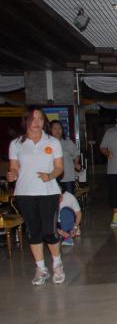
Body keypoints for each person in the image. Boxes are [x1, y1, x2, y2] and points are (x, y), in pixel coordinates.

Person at [7, 107, 66, 285]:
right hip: (25, 193)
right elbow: (14, 167)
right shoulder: (16, 143)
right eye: (33, 118)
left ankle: (57, 264)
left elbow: (59, 167)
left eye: (40, 118)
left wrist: (50, 175)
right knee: (34, 232)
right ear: (26, 121)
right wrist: (13, 174)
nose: (37, 122)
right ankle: (41, 268)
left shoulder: (52, 142)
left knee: (49, 230)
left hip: (48, 192)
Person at [50, 120, 80, 194]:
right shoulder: (46, 144)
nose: (57, 131)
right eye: (54, 128)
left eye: (59, 128)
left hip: (68, 177)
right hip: (52, 178)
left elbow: (76, 155)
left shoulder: (68, 143)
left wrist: (76, 163)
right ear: (50, 130)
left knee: (69, 198)